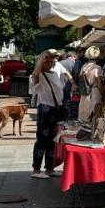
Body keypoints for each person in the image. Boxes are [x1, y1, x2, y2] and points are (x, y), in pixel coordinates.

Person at [30, 49, 67, 178]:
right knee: (42, 140)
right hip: (45, 109)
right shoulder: (39, 75)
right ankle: (36, 169)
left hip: (55, 110)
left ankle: (49, 168)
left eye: (51, 61)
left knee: (52, 140)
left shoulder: (54, 73)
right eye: (47, 61)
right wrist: (42, 59)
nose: (50, 63)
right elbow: (35, 75)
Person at [76, 46, 104, 124]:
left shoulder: (83, 66)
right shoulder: (98, 68)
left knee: (84, 117)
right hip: (94, 93)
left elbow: (80, 80)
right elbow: (99, 84)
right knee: (94, 117)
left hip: (85, 93)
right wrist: (103, 94)